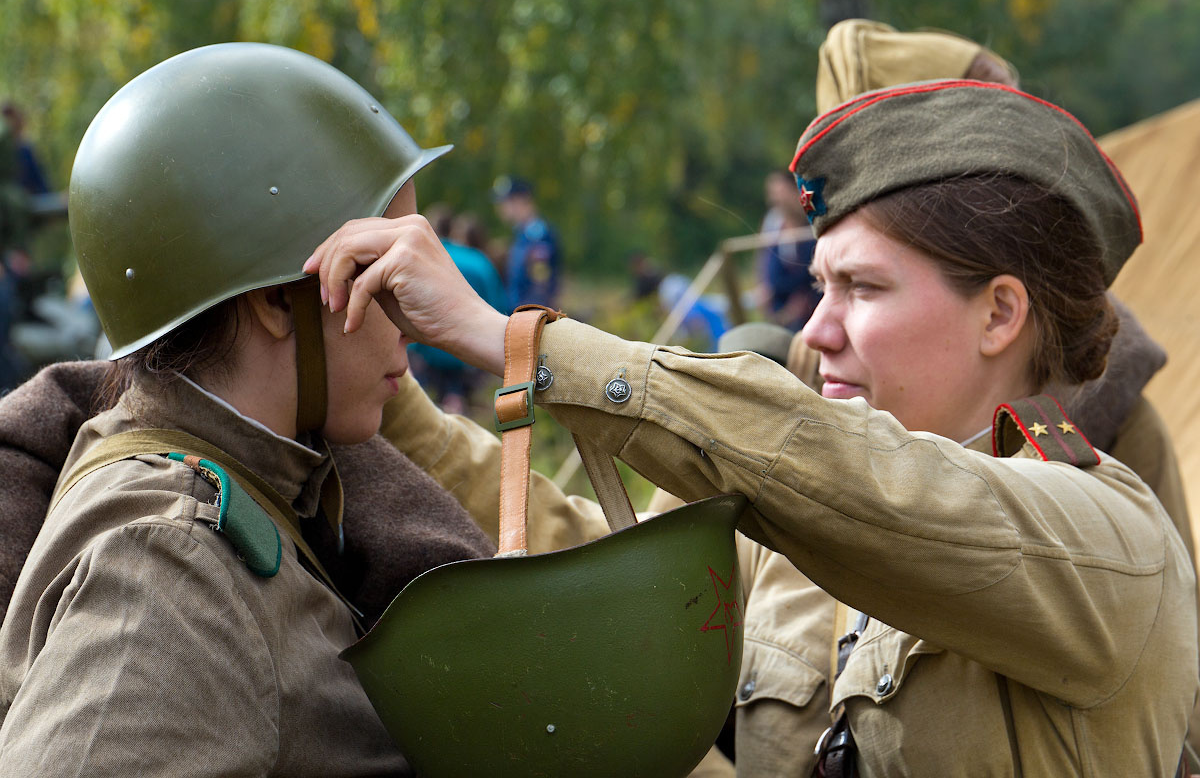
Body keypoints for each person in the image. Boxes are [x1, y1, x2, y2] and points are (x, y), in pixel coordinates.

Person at [307, 79, 1199, 774]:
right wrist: (390, 402)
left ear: (1000, 314)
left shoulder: (1107, 543)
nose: (817, 330)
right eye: (820, 286)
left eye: (863, 288)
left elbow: (876, 488)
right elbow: (602, 572)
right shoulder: (795, 535)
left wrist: (520, 345)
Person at [0, 42, 561, 775]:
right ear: (273, 301)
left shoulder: (272, 489)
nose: (417, 323)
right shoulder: (165, 569)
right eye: (385, 275)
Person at [405, 203, 506, 413]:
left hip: (429, 351)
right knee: (458, 397)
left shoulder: (417, 259)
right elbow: (499, 308)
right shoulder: (479, 260)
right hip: (472, 352)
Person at [758, 169, 820, 331]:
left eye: (781, 192)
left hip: (810, 292)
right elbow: (764, 258)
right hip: (781, 293)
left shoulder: (812, 218)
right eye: (773, 193)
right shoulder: (773, 221)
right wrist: (763, 285)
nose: (776, 199)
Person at [492, 175, 561, 310]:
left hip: (530, 318)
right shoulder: (522, 234)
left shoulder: (538, 236)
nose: (500, 208)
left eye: (505, 202)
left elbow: (540, 287)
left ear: (520, 201)